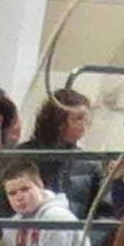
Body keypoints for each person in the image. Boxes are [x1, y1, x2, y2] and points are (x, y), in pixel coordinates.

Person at [18, 88, 103, 218]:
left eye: (86, 119)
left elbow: (103, 212)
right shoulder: (21, 156)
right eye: (78, 118)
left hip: (75, 234)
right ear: (58, 120)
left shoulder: (89, 163)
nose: (84, 125)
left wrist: (85, 237)